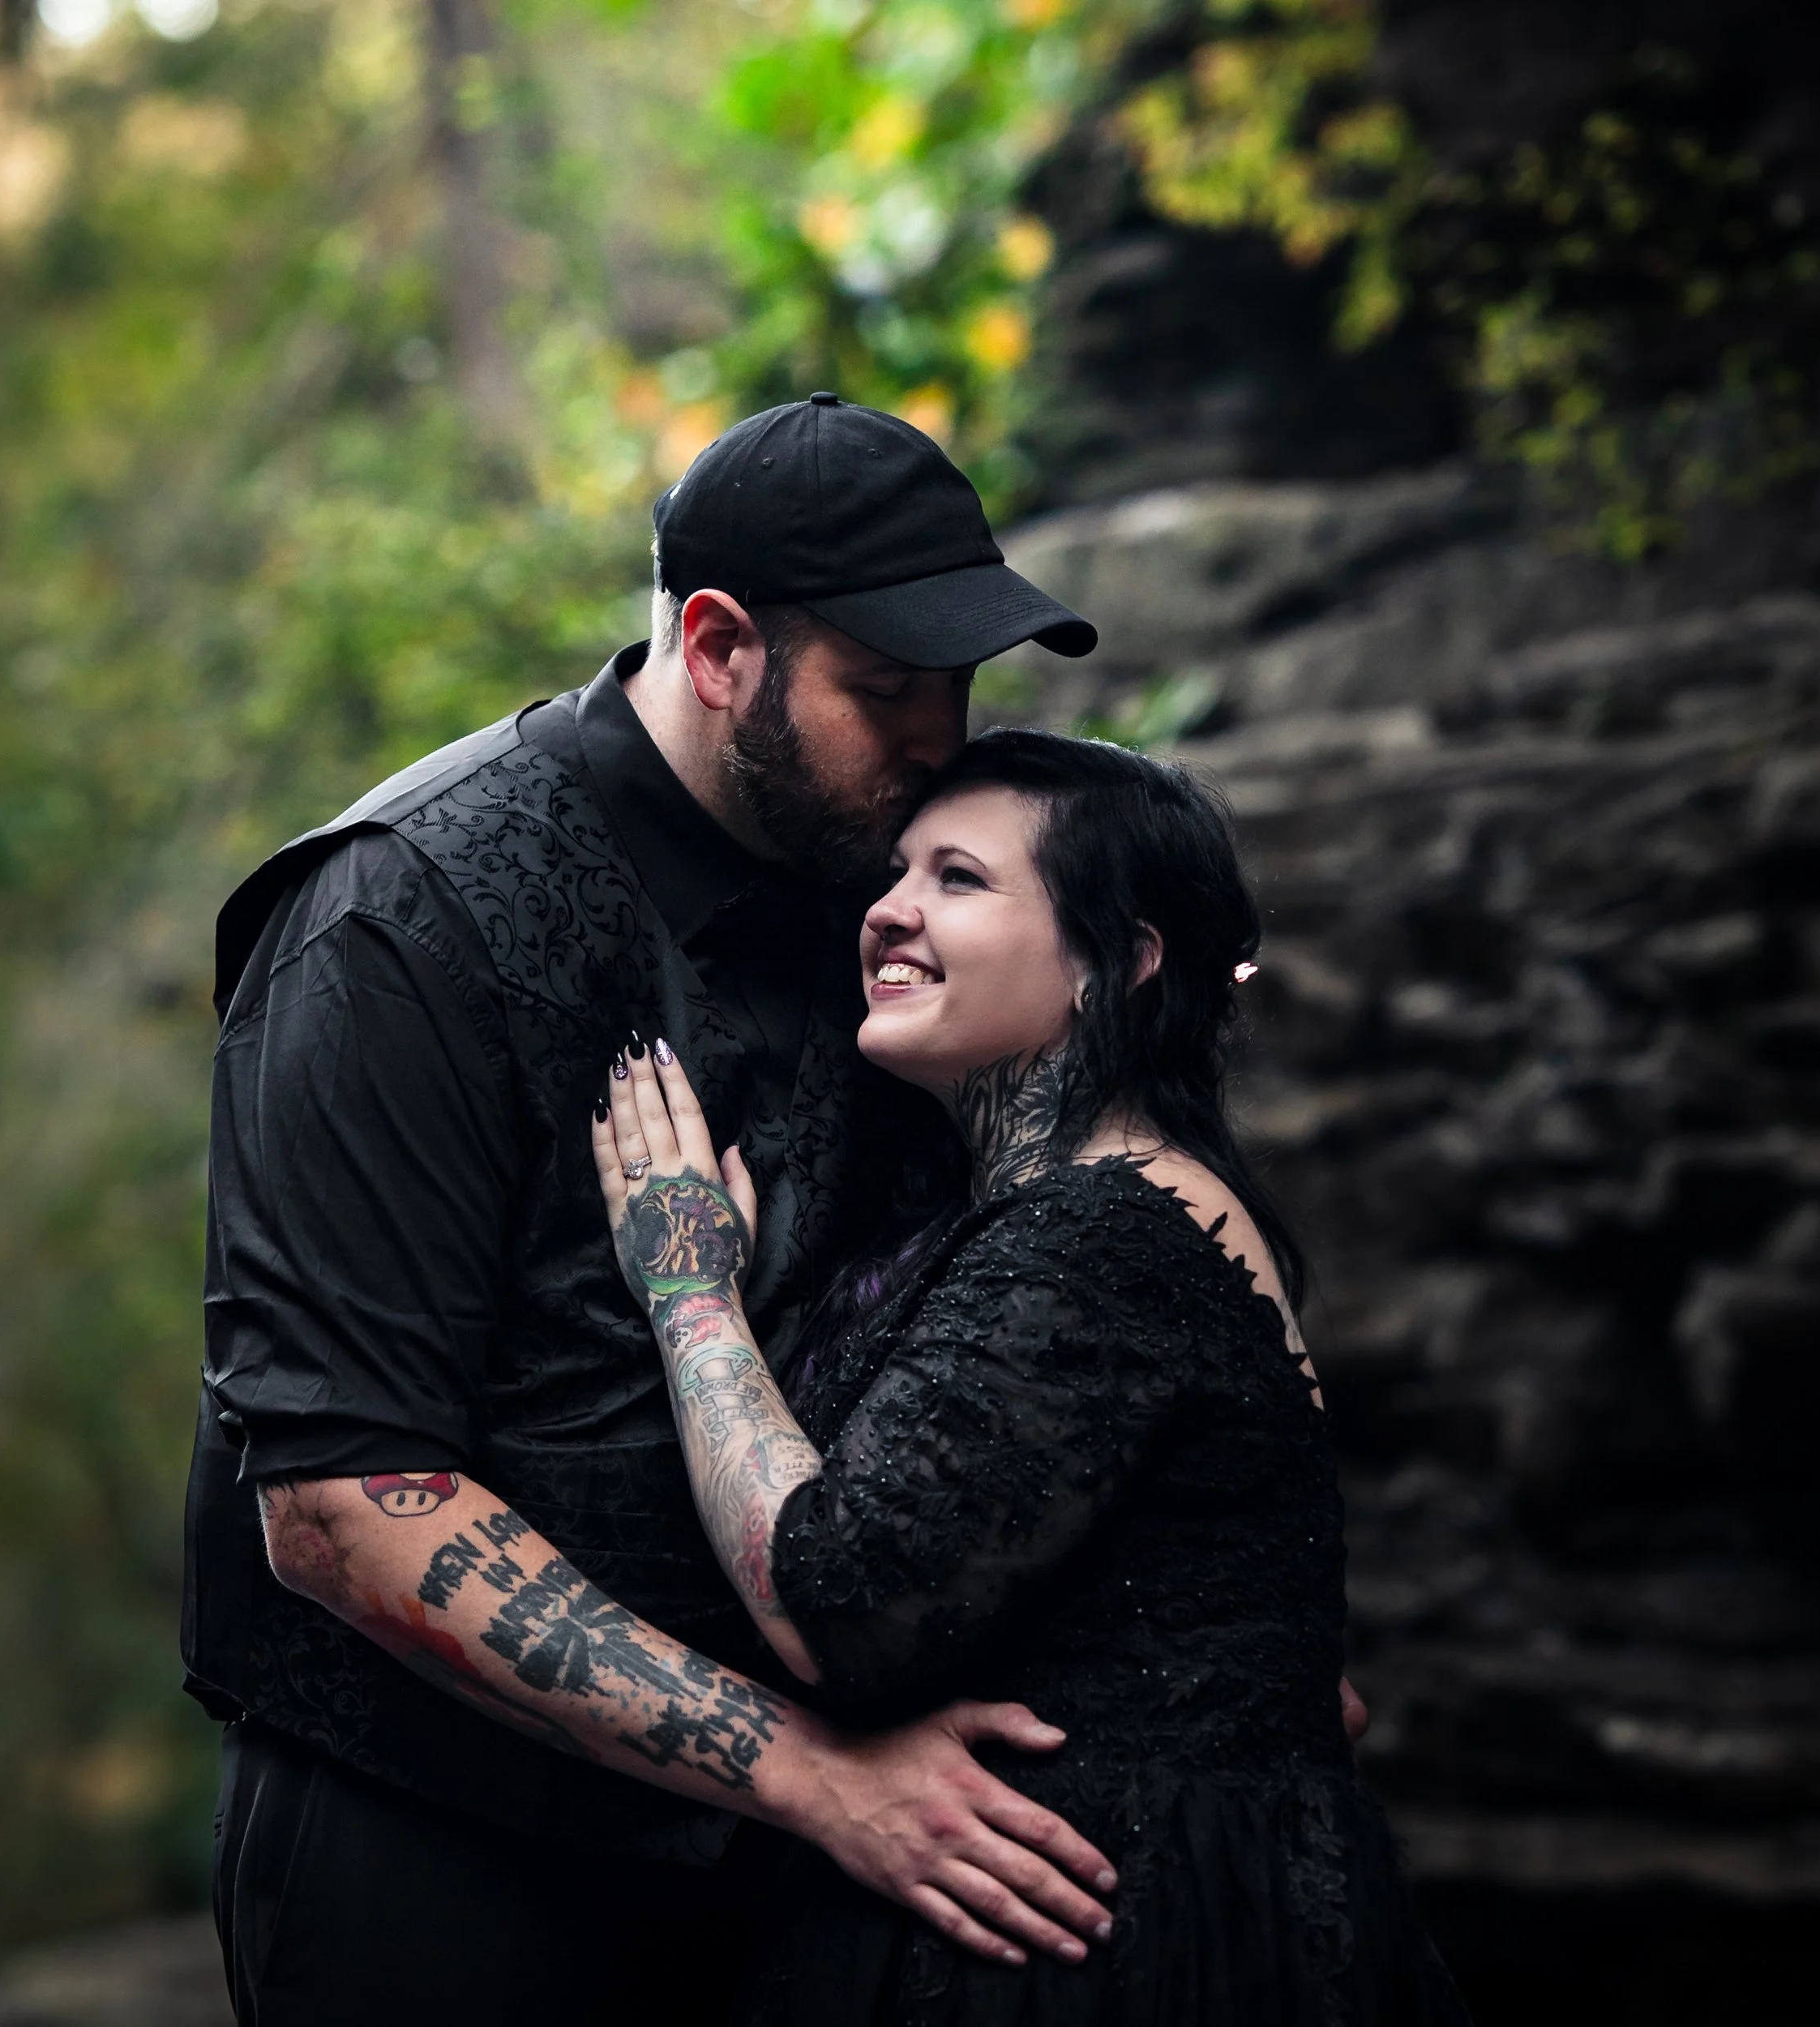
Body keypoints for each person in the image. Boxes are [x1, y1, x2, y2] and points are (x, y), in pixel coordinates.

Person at [183, 395, 1124, 2026]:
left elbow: (1047, 1262)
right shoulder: (400, 920)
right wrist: (818, 1777)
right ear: (714, 645)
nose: (937, 740)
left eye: (958, 689)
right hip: (443, 1859)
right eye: (885, 691)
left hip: (800, 1877)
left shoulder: (890, 890)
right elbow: (341, 1504)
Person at [591, 731, 1468, 2024]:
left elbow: (834, 1600)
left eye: (958, 878)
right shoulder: (1057, 1219)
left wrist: (686, 1284)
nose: (887, 909)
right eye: (896, 874)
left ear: (1120, 963)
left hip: (1109, 1950)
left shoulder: (1110, 1233)